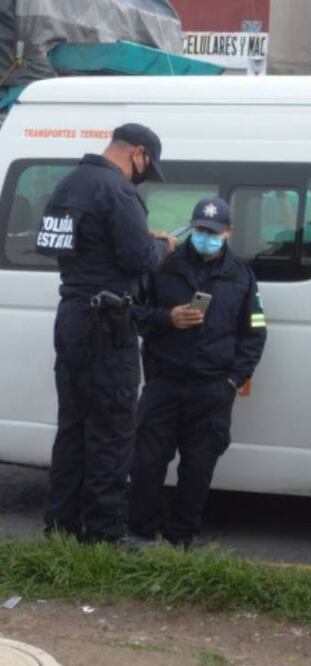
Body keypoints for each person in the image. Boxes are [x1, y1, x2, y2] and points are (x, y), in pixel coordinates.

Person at [39, 123, 175, 545]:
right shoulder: (116, 191)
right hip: (109, 322)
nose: (141, 178)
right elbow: (138, 259)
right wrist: (162, 246)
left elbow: (68, 245)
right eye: (144, 169)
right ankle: (104, 536)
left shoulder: (67, 186)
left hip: (73, 315)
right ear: (138, 154)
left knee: (73, 426)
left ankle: (61, 529)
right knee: (113, 430)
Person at [128, 197, 267, 548]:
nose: (207, 236)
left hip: (212, 389)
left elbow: (255, 330)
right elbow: (135, 315)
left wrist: (235, 380)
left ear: (229, 232)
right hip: (164, 383)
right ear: (192, 227)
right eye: (201, 230)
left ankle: (180, 540)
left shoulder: (240, 275)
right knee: (146, 464)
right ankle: (141, 535)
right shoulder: (164, 266)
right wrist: (167, 318)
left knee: (197, 470)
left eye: (214, 232)